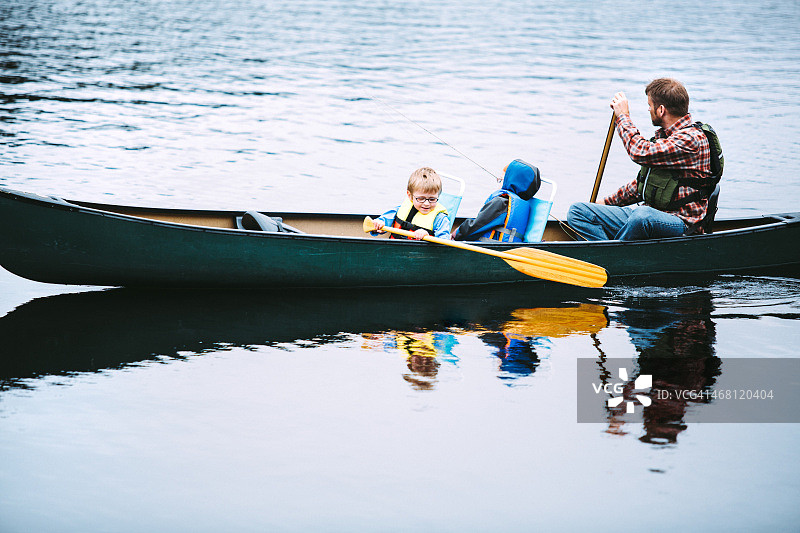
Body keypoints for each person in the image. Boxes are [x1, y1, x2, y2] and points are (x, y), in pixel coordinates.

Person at [567, 78, 716, 241]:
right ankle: (607, 255)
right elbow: (642, 185)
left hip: (682, 223)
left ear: (661, 110)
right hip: (648, 216)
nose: (648, 110)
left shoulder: (691, 139)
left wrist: (623, 117)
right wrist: (602, 203)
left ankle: (614, 255)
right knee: (578, 211)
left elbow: (639, 152)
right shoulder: (667, 137)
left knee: (641, 216)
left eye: (649, 106)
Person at [452, 159, 541, 242]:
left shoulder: (501, 203)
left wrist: (457, 233)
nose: (499, 183)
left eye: (501, 180)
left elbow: (476, 226)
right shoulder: (524, 205)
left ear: (510, 181)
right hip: (508, 249)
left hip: (487, 250)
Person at [371, 167, 452, 240]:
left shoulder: (440, 219)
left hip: (422, 256)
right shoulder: (400, 209)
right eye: (421, 198)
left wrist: (427, 236)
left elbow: (443, 242)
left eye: (432, 199)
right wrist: (378, 226)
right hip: (395, 252)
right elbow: (381, 222)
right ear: (410, 196)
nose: (427, 203)